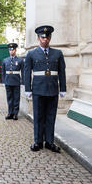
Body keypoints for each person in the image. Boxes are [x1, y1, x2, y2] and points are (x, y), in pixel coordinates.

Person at [24, 25, 66, 153]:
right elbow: (27, 72)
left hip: (53, 89)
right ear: (38, 38)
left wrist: (63, 88)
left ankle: (49, 142)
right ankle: (38, 142)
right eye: (42, 37)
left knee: (51, 117)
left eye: (47, 37)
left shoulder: (57, 53)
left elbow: (61, 72)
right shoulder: (31, 54)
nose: (45, 39)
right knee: (38, 116)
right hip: (38, 89)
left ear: (50, 38)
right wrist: (28, 89)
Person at [2, 43, 24, 121]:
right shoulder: (5, 60)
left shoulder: (20, 60)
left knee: (16, 98)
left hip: (16, 81)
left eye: (13, 49)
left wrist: (23, 83)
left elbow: (23, 72)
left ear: (15, 50)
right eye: (10, 50)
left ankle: (15, 113)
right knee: (9, 98)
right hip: (8, 81)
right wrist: (3, 81)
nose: (11, 51)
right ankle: (10, 113)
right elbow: (3, 72)